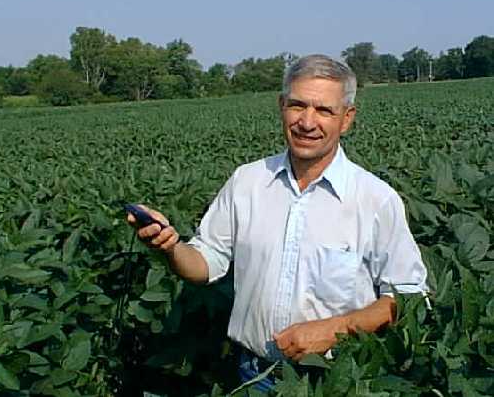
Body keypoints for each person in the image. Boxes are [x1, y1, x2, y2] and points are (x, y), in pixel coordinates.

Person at [127, 54, 428, 391]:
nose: (307, 122)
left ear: (347, 119)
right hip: (254, 375)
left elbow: (407, 298)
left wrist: (335, 329)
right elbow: (206, 262)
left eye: (324, 110)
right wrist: (171, 246)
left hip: (338, 381)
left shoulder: (375, 199)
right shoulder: (247, 182)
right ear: (281, 105)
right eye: (297, 105)